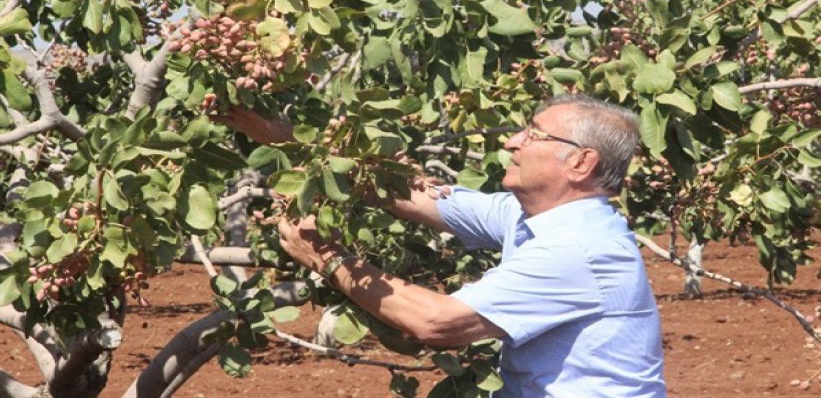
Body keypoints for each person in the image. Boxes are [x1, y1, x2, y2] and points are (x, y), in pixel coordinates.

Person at [216, 94, 666, 397]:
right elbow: (401, 191)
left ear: (582, 162)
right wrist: (282, 138)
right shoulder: (530, 217)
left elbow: (437, 322)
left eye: (534, 135)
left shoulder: (579, 249)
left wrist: (326, 258)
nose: (512, 142)